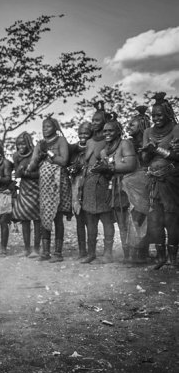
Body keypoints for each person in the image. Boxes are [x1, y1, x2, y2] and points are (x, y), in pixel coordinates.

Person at [140, 92, 179, 268]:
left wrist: (157, 149)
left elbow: (177, 156)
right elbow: (144, 159)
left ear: (168, 114)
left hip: (171, 180)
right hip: (152, 181)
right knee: (155, 220)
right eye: (153, 115)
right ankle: (160, 257)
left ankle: (173, 259)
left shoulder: (176, 129)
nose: (156, 119)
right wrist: (148, 151)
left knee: (171, 219)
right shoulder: (147, 132)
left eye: (159, 115)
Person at [94, 113, 137, 263]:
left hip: (126, 188)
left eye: (110, 130)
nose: (107, 133)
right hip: (111, 189)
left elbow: (131, 165)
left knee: (126, 222)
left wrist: (109, 167)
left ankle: (130, 255)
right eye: (105, 131)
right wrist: (102, 170)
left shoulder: (125, 144)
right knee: (113, 221)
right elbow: (107, 172)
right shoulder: (103, 152)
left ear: (118, 131)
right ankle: (112, 254)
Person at [27, 117, 71, 263]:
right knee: (45, 215)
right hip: (45, 184)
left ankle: (58, 253)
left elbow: (64, 161)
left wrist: (50, 153)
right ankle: (45, 252)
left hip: (58, 182)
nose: (44, 129)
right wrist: (39, 157)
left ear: (55, 128)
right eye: (43, 126)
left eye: (48, 126)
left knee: (57, 217)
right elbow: (31, 166)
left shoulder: (61, 141)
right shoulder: (40, 144)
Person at [80, 103, 113, 264]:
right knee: (90, 219)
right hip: (88, 183)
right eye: (93, 120)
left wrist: (105, 169)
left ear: (105, 121)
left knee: (106, 218)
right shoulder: (89, 141)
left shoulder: (109, 141)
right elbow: (86, 162)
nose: (94, 123)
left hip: (104, 182)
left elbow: (111, 162)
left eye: (97, 120)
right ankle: (91, 253)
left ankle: (108, 253)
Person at [121, 106, 152, 265]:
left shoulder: (150, 142)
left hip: (145, 182)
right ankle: (135, 252)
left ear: (141, 125)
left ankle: (141, 252)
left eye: (132, 124)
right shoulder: (128, 143)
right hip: (132, 184)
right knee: (134, 215)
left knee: (143, 215)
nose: (128, 127)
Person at [12, 132, 41, 258]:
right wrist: (20, 173)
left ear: (29, 143)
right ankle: (26, 248)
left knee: (37, 219)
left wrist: (26, 174)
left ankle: (36, 249)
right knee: (24, 219)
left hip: (36, 188)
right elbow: (17, 173)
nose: (21, 147)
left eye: (23, 144)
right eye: (18, 144)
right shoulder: (16, 156)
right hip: (24, 188)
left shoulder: (36, 154)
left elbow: (40, 173)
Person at [67, 122, 92, 260]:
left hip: (89, 185)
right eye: (81, 133)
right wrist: (72, 168)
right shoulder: (73, 150)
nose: (83, 136)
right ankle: (82, 250)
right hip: (76, 186)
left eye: (86, 133)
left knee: (90, 220)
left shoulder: (93, 147)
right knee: (79, 219)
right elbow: (67, 165)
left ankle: (91, 251)